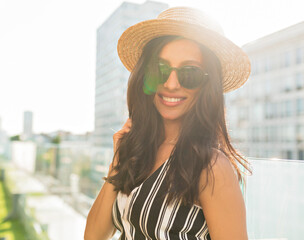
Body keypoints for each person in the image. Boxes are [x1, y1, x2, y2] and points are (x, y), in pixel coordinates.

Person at [85, 6, 252, 240]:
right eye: (160, 69)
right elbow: (93, 236)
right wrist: (117, 163)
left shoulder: (211, 167)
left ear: (206, 86)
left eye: (190, 73)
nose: (171, 84)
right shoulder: (137, 152)